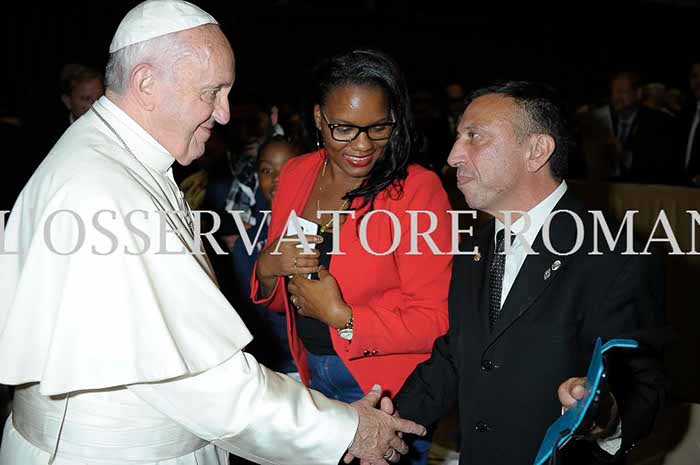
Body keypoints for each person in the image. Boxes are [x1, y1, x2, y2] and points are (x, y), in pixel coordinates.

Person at [0, 2, 426, 465]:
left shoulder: (116, 158)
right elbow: (206, 384)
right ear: (146, 84)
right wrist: (348, 430)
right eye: (212, 92)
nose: (224, 114)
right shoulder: (107, 190)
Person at [394, 81, 669, 465]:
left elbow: (644, 385)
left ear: (536, 151)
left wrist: (601, 415)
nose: (455, 155)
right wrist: (387, 425)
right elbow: (456, 354)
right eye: (458, 137)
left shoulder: (615, 253)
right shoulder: (475, 244)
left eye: (475, 137)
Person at [251, 49, 453, 465]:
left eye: (378, 128)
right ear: (319, 118)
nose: (362, 145)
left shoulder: (417, 190)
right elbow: (284, 296)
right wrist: (268, 267)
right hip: (310, 377)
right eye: (343, 128)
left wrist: (345, 319)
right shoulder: (296, 174)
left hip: (385, 393)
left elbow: (436, 321)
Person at [232, 136, 302, 375]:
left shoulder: (334, 228)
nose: (277, 179)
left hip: (332, 365)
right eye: (266, 170)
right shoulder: (248, 244)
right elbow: (249, 317)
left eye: (289, 169)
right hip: (279, 370)